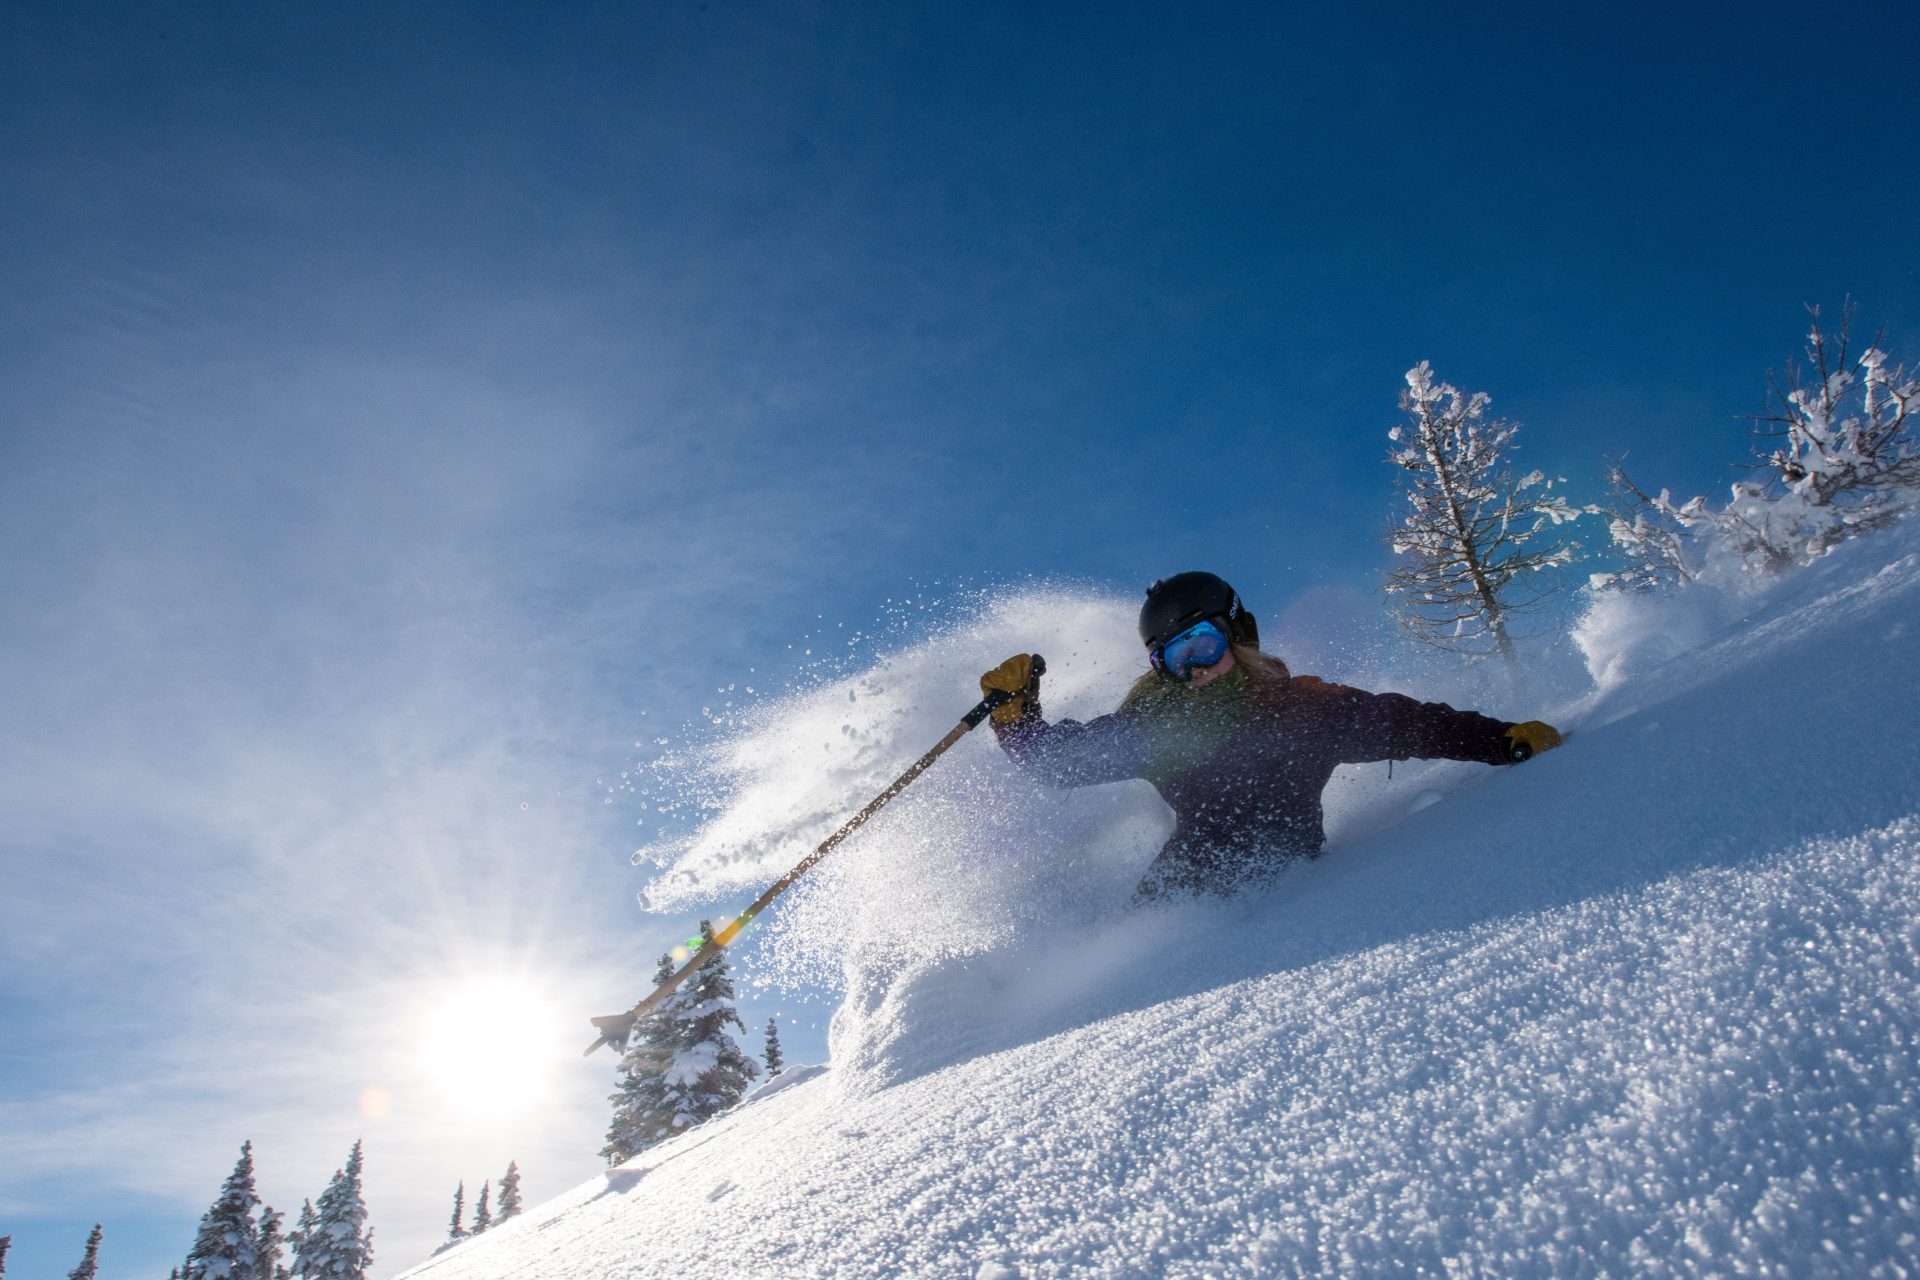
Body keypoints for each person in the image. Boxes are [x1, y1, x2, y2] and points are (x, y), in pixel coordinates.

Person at [980, 571, 1563, 898]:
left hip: (1291, 894)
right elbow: (1063, 764)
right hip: (1177, 900)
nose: (1195, 670)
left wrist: (1498, 738)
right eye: (1172, 660)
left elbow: (1408, 723)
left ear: (1237, 635)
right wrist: (1016, 717)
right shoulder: (1159, 726)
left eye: (1202, 645)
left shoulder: (1306, 710)